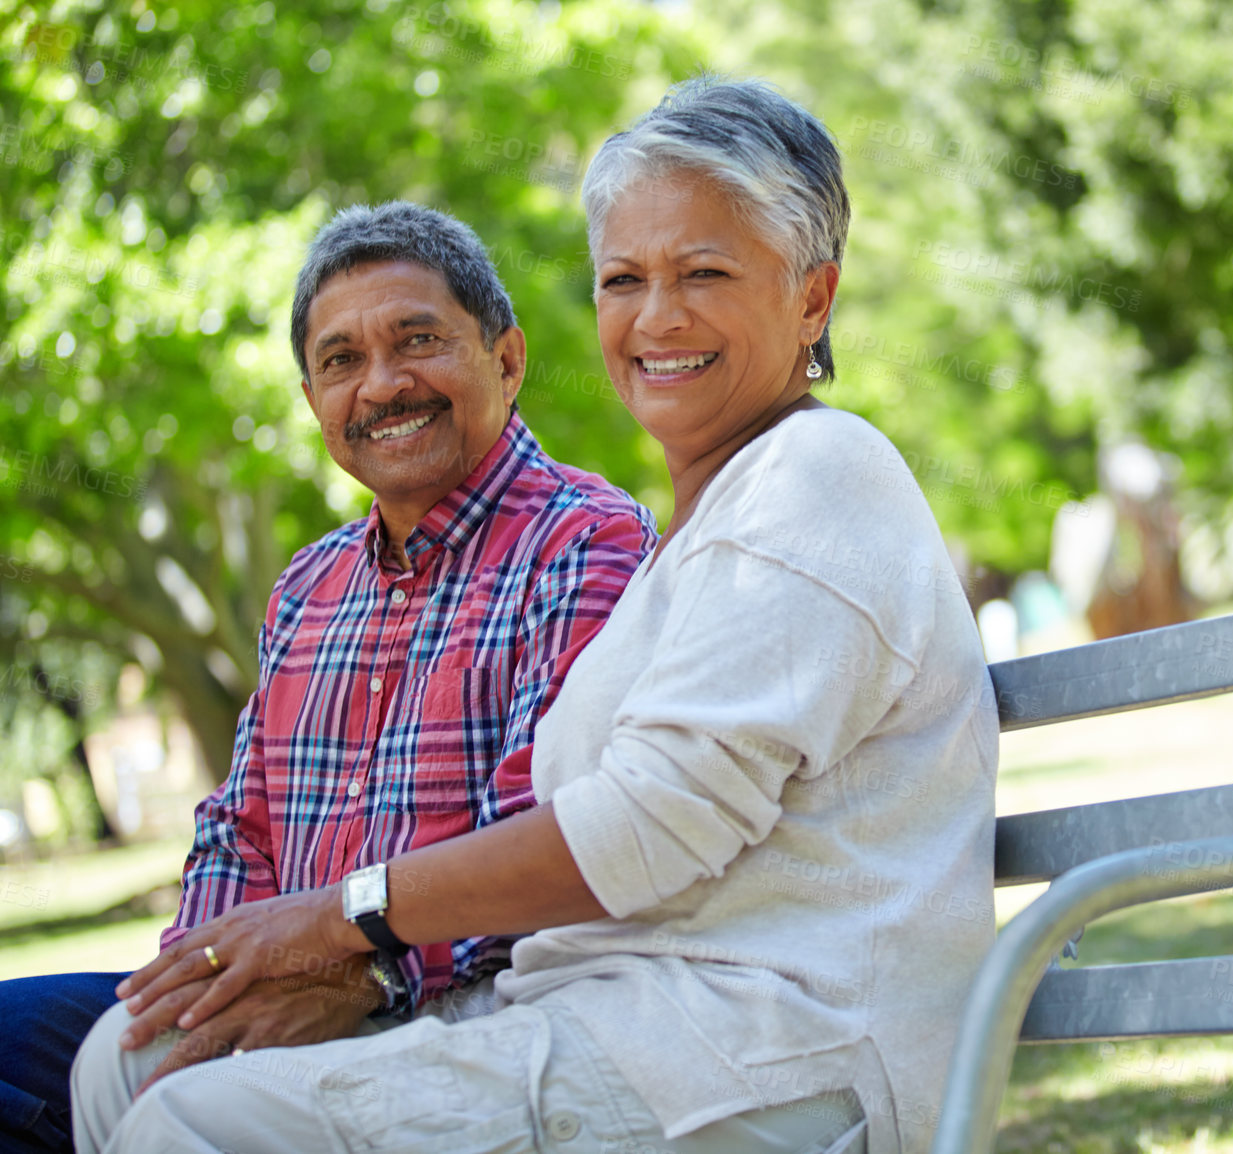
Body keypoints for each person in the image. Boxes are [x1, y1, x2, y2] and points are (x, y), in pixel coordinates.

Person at [72, 77, 998, 1154]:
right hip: (611, 1023)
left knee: (194, 1124)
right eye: (624, 278)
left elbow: (641, 829)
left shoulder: (815, 477)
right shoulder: (703, 538)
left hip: (762, 1053)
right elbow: (250, 820)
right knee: (134, 1064)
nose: (657, 316)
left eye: (704, 272)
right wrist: (233, 961)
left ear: (811, 298)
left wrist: (340, 918)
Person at [0, 202, 653, 1154]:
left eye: (417, 339)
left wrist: (364, 970)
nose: (382, 385)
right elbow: (242, 822)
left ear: (507, 361)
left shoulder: (587, 545)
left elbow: (547, 845)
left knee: (139, 1084)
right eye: (340, 360)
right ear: (313, 401)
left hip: (453, 1004)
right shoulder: (310, 583)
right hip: (277, 980)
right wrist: (218, 975)